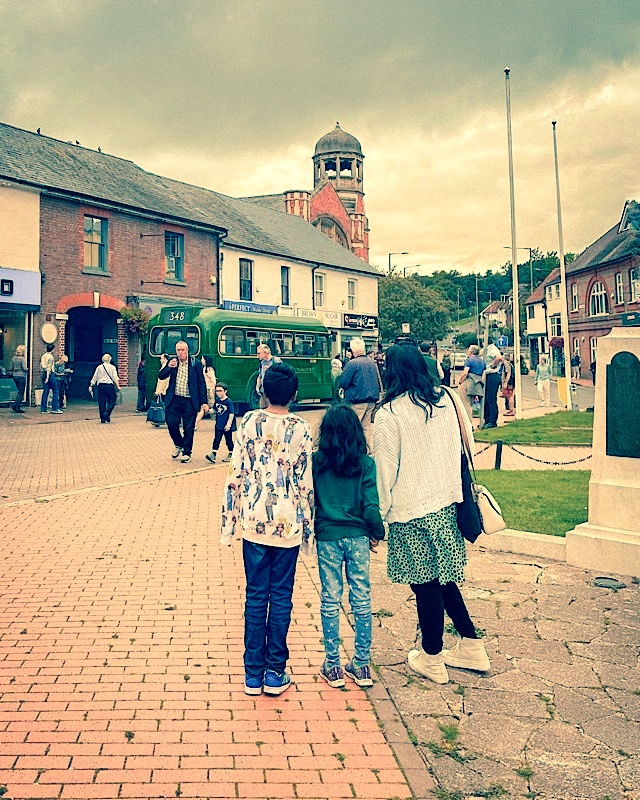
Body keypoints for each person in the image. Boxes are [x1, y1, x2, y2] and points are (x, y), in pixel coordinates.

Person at [373, 344, 490, 685]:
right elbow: (467, 445)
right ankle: (471, 643)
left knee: (425, 583)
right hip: (447, 505)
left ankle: (432, 655)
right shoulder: (448, 400)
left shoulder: (390, 414)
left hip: (411, 510)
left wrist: (378, 518)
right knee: (442, 579)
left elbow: (384, 472)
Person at [220, 362, 313, 697]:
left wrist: (228, 522)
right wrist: (309, 529)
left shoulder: (248, 422)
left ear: (263, 390)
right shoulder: (301, 429)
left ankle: (252, 674)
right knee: (282, 595)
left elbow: (236, 473)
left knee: (256, 594)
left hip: (254, 521)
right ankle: (275, 672)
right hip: (287, 523)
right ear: (294, 393)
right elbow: (305, 482)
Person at [313, 403, 385, 689]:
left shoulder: (317, 463)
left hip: (328, 534)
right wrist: (376, 532)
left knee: (330, 599)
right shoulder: (365, 464)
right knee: (361, 597)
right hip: (357, 536)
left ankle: (332, 665)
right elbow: (371, 505)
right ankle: (362, 664)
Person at [158, 341, 208, 463]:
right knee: (171, 423)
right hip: (174, 398)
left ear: (187, 350)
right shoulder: (172, 361)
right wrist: (169, 367)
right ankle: (179, 444)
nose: (180, 352)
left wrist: (204, 402)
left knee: (188, 427)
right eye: (178, 350)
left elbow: (201, 383)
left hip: (189, 400)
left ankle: (187, 452)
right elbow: (161, 376)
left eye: (183, 350)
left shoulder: (195, 363)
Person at [336, 337, 381, 441]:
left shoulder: (353, 363)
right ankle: (366, 447)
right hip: (371, 400)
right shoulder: (371, 362)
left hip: (357, 400)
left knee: (353, 428)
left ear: (353, 350)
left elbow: (343, 382)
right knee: (366, 428)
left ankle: (353, 448)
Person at [205, 382, 236, 464]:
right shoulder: (217, 400)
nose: (218, 393)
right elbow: (215, 410)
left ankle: (231, 453)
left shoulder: (228, 401)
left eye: (220, 391)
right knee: (216, 439)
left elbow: (231, 413)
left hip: (226, 425)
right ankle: (213, 454)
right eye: (217, 391)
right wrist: (208, 411)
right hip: (219, 424)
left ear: (225, 391)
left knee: (228, 440)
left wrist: (229, 424)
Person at [457, 345, 485, 428]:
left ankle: (468, 424)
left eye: (468, 350)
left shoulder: (469, 360)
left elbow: (465, 373)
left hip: (469, 383)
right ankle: (480, 422)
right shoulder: (482, 361)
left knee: (466, 404)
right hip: (478, 383)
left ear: (471, 352)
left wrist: (460, 381)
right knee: (475, 404)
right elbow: (483, 374)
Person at [89, 353, 120, 423]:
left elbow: (95, 377)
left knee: (101, 402)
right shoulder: (112, 367)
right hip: (109, 386)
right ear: (109, 359)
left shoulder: (99, 367)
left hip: (101, 386)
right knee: (112, 400)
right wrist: (118, 386)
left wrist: (91, 385)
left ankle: (102, 418)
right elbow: (115, 378)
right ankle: (107, 412)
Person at [255, 344, 282, 409]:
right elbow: (260, 375)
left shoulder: (276, 360)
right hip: (263, 392)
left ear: (265, 353)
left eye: (259, 353)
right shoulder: (262, 363)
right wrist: (257, 386)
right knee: (262, 410)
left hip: (273, 393)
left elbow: (282, 376)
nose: (257, 356)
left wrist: (271, 370)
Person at [482, 351, 503, 429]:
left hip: (492, 375)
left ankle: (492, 421)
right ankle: (487, 420)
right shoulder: (486, 349)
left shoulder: (493, 349)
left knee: (491, 399)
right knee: (486, 399)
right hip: (487, 376)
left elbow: (499, 357)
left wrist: (492, 365)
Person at [40, 343, 62, 414]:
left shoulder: (43, 356)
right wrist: (47, 377)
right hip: (49, 374)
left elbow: (41, 365)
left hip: (43, 373)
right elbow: (48, 368)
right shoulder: (51, 357)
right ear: (52, 350)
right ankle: (55, 408)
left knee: (45, 391)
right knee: (56, 391)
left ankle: (43, 409)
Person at [10, 344, 28, 413]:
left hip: (15, 376)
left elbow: (11, 367)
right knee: (21, 392)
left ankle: (15, 405)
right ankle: (16, 407)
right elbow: (24, 368)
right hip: (21, 376)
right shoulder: (22, 359)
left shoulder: (13, 358)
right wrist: (27, 369)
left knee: (19, 392)